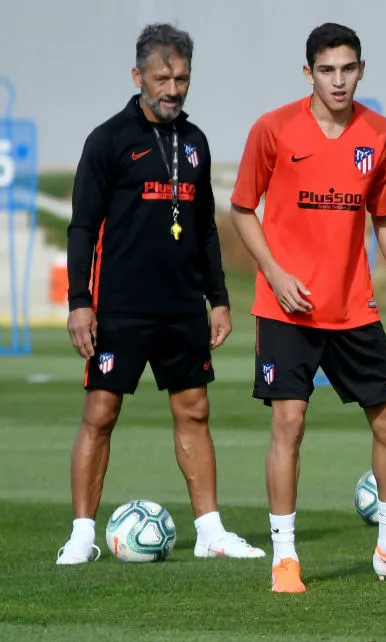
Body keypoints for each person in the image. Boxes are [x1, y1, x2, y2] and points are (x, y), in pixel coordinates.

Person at [229, 22, 386, 593]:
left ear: (361, 70)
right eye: (326, 70)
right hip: (287, 308)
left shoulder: (380, 134)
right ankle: (284, 557)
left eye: (348, 69)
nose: (338, 80)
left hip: (353, 306)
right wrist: (275, 274)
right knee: (289, 421)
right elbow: (242, 209)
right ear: (308, 73)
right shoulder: (273, 129)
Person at [57, 24, 265, 565]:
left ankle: (211, 532)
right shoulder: (108, 140)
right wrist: (79, 302)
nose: (173, 89)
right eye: (162, 79)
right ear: (138, 76)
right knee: (101, 412)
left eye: (182, 79)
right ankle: (82, 535)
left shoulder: (195, 142)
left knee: (194, 410)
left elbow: (205, 228)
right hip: (120, 306)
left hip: (182, 306)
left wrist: (218, 298)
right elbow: (82, 227)